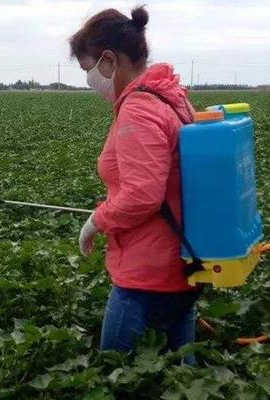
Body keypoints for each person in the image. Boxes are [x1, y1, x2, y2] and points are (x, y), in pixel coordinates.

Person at [70, 5, 200, 364]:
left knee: (116, 375)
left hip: (146, 274)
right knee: (182, 376)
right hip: (181, 264)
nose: (89, 81)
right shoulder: (169, 97)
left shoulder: (139, 110)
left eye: (88, 69)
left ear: (109, 60)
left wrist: (97, 220)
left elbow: (142, 195)